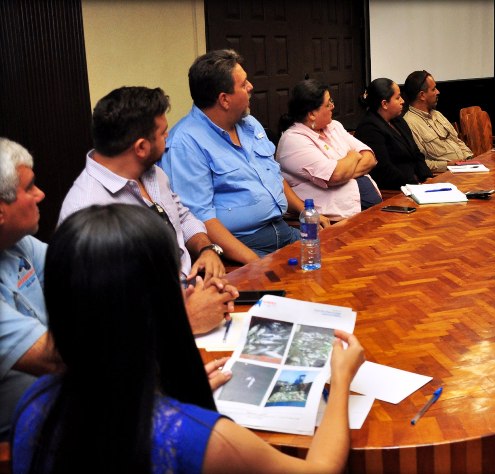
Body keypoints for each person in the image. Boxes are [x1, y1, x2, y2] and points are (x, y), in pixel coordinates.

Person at [11, 204, 365, 472]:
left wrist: (170, 392)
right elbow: (319, 469)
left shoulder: (35, 402)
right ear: (158, 306)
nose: (189, 289)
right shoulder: (201, 438)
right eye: (180, 282)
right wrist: (341, 380)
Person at [58, 86, 237, 335]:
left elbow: (182, 216)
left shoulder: (153, 173)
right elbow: (99, 316)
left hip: (189, 294)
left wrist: (206, 249)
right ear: (141, 147)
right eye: (163, 133)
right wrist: (184, 319)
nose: (168, 138)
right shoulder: (85, 210)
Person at [161, 49, 330, 265]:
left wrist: (306, 212)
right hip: (240, 249)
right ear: (224, 99)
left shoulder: (249, 124)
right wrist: (254, 262)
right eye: (243, 84)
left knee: (334, 258)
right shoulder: (185, 143)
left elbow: (273, 176)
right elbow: (200, 219)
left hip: (283, 231)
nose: (251, 87)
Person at [0, 138, 61, 440]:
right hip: (22, 440)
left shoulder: (16, 243)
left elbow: (85, 277)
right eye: (30, 187)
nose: (41, 194)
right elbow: (54, 358)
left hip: (56, 405)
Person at [276, 79, 380, 220]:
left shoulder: (334, 126)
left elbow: (370, 158)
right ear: (312, 114)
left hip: (362, 210)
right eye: (328, 104)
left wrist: (345, 171)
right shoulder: (293, 140)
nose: (333, 106)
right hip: (331, 219)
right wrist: (353, 155)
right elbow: (334, 176)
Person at [354, 78, 433, 189]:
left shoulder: (398, 120)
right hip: (395, 189)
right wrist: (415, 185)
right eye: (397, 97)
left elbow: (416, 153)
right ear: (384, 104)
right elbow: (384, 170)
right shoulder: (369, 128)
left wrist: (427, 177)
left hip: (416, 185)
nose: (402, 101)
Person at [401, 70, 473, 172]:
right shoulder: (409, 123)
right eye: (433, 89)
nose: (438, 92)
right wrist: (447, 165)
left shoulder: (437, 114)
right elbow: (420, 163)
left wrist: (469, 158)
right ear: (422, 95)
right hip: (444, 174)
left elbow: (457, 141)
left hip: (465, 168)